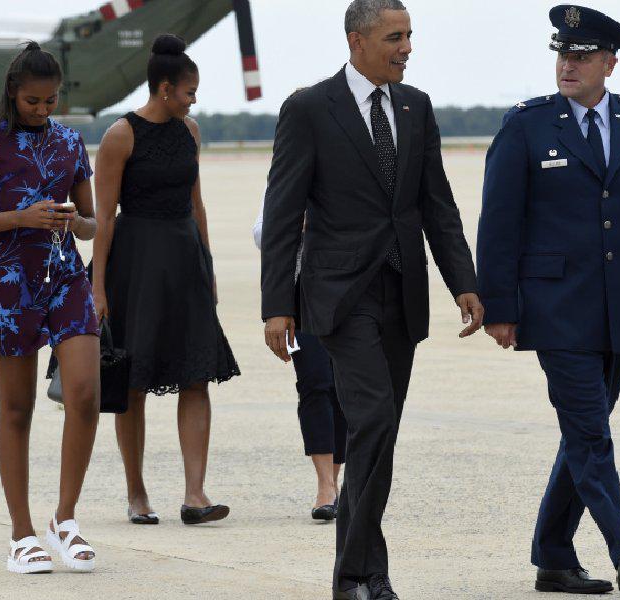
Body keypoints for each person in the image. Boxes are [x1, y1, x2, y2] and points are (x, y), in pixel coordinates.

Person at [475, 6, 620, 599]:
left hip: (618, 306)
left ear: (609, 63)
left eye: (580, 56)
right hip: (554, 308)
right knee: (591, 435)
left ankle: (553, 557)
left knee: (584, 434)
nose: (567, 66)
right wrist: (499, 307)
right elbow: (498, 223)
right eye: (562, 54)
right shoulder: (527, 125)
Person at [260, 1, 484, 597]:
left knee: (377, 435)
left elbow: (437, 203)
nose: (407, 48)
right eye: (394, 37)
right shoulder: (310, 108)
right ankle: (361, 574)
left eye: (409, 35)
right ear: (357, 41)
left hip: (401, 292)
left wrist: (463, 281)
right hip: (340, 295)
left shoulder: (415, 106)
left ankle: (358, 572)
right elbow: (282, 212)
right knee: (374, 420)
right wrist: (277, 304)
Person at [0, 41, 101, 574]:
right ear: (13, 93)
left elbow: (92, 224)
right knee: (17, 410)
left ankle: (65, 519)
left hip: (66, 278)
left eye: (50, 101)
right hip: (9, 284)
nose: (42, 110)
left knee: (85, 394)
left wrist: (75, 221)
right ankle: (21, 534)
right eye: (33, 101)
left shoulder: (70, 141)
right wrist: (21, 217)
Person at [91, 34, 240, 527]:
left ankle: (195, 494)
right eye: (189, 91)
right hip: (135, 265)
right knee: (132, 381)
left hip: (184, 261)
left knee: (196, 375)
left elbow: (197, 204)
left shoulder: (189, 131)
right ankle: (136, 493)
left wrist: (208, 265)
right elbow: (104, 218)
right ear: (165, 88)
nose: (194, 100)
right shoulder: (120, 135)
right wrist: (97, 288)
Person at [253, 196, 346, 521]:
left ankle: (335, 478)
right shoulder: (288, 172)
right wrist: (296, 220)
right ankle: (325, 485)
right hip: (298, 294)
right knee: (314, 382)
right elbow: (261, 234)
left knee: (343, 386)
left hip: (350, 290)